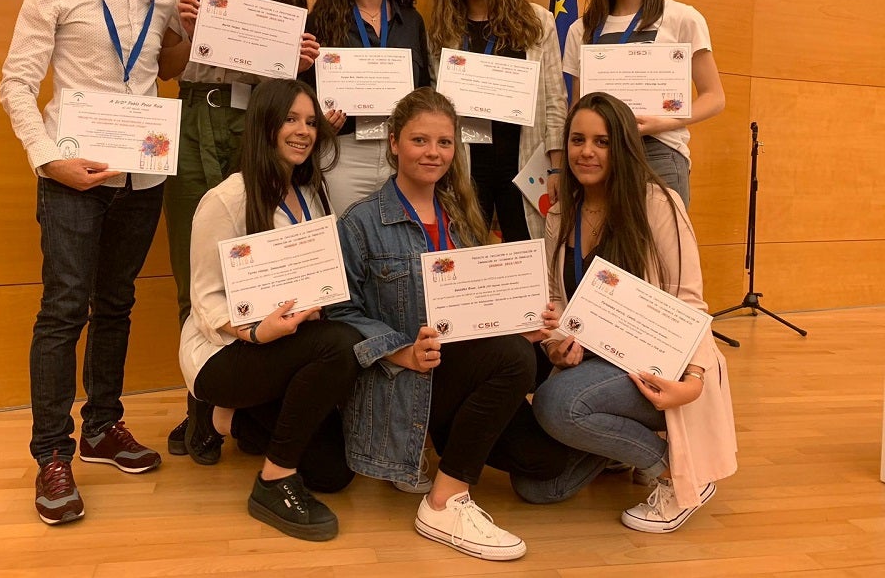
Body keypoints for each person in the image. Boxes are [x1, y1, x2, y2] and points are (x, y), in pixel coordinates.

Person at [328, 87, 603, 561]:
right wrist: (399, 350)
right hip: (405, 381)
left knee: (546, 463)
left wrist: (523, 318)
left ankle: (620, 448)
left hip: (460, 376)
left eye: (444, 142)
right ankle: (445, 501)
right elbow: (339, 316)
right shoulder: (360, 223)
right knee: (515, 359)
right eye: (419, 140)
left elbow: (482, 301)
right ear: (393, 143)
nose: (432, 153)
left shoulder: (462, 216)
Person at [0, 0, 177, 525]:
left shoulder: (164, 3)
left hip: (143, 178)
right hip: (73, 179)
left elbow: (173, 69)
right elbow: (16, 84)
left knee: (118, 303)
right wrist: (48, 161)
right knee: (64, 308)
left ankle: (103, 426)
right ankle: (52, 453)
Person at [157, 0, 319, 465]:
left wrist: (303, 62)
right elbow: (169, 66)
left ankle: (247, 403)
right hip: (197, 122)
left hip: (258, 128)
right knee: (192, 263)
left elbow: (288, 82)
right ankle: (200, 405)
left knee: (260, 266)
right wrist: (189, 28)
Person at [530, 92, 737, 532]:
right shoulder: (562, 214)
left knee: (556, 403)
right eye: (578, 139)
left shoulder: (658, 203)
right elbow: (557, 303)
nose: (587, 152)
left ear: (623, 145)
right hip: (593, 364)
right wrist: (555, 348)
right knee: (537, 489)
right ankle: (619, 448)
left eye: (602, 142)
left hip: (664, 371)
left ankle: (680, 474)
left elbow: (690, 301)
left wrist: (694, 382)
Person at [178, 79, 361, 541]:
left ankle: (223, 418)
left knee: (333, 473)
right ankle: (272, 482)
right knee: (340, 346)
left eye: (311, 122)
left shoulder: (313, 193)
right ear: (265, 124)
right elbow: (204, 300)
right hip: (224, 352)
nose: (303, 131)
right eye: (291, 119)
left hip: (288, 345)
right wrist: (257, 332)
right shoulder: (227, 198)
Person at [563, 0, 725, 209]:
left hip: (657, 156)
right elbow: (576, 106)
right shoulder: (581, 29)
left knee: (660, 256)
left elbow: (714, 97)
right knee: (602, 255)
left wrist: (659, 122)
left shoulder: (682, 18)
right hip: (597, 160)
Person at [429, 0, 567, 241]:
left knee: (532, 263)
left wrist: (558, 168)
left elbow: (555, 101)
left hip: (525, 166)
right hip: (465, 168)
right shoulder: (442, 32)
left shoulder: (537, 22)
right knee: (466, 262)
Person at [302, 0, 432, 212]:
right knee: (345, 247)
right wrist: (321, 123)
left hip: (400, 156)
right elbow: (302, 96)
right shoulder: (319, 21)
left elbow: (424, 94)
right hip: (342, 155)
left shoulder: (412, 22)